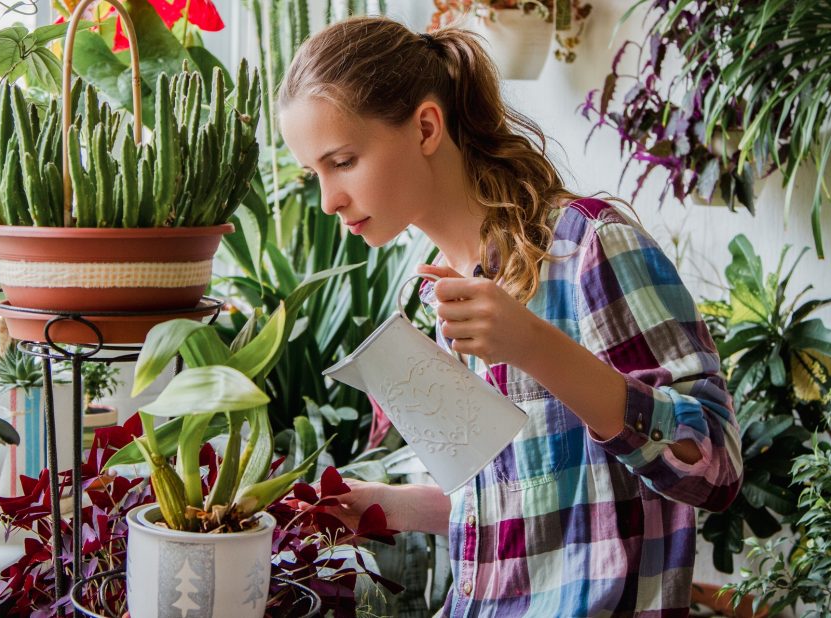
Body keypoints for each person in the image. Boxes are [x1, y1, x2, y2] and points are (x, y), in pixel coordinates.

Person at [277, 16, 743, 618]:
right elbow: (535, 505)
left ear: (425, 127)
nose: (327, 200)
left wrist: (534, 346)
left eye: (342, 161)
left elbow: (714, 469)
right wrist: (392, 507)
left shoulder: (589, 247)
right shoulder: (438, 292)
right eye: (313, 173)